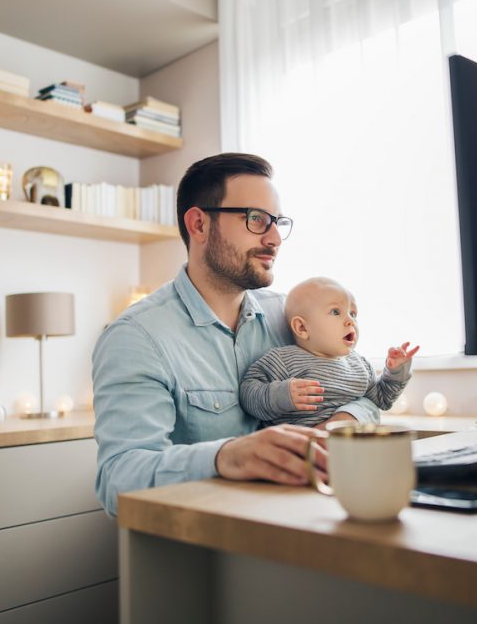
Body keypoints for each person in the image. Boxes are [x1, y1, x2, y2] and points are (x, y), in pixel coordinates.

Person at [92, 153, 381, 516]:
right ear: (199, 225)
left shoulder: (291, 317)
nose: (275, 238)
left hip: (309, 521)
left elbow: (368, 394)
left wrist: (344, 421)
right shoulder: (136, 338)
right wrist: (224, 457)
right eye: (256, 219)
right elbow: (118, 479)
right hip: (210, 549)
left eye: (277, 222)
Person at [240, 277, 419, 426]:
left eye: (353, 314)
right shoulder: (282, 360)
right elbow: (248, 393)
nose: (350, 321)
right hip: (297, 454)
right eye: (335, 312)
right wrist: (282, 394)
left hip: (348, 450)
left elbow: (383, 399)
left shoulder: (360, 366)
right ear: (302, 327)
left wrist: (396, 371)